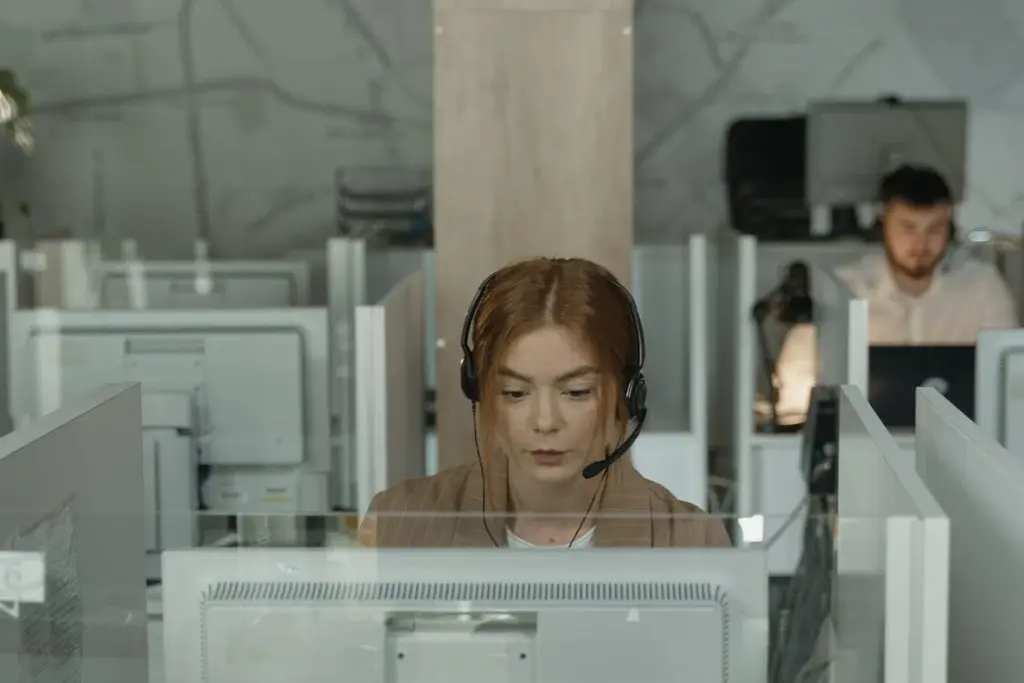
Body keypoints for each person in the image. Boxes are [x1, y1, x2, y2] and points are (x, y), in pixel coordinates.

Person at [359, 257, 729, 548]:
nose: (546, 421)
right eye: (516, 393)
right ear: (479, 391)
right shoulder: (398, 522)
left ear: (626, 395)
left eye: (577, 392)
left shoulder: (690, 542)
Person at [773, 164, 1018, 419]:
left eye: (934, 228)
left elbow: (1012, 378)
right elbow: (795, 384)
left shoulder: (981, 286)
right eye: (908, 228)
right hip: (862, 446)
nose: (921, 243)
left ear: (951, 227)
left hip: (961, 445)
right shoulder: (842, 289)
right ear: (883, 224)